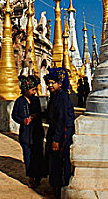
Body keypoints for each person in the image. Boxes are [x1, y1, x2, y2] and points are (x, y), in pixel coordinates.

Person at [44, 67, 75, 197]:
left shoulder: (62, 97)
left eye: (53, 83)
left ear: (60, 84)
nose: (50, 85)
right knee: (53, 159)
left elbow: (61, 119)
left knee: (60, 160)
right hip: (55, 130)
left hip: (62, 133)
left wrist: (56, 139)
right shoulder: (55, 96)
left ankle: (61, 187)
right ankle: (55, 185)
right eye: (49, 83)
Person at [11, 75, 47, 188]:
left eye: (35, 89)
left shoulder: (36, 100)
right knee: (28, 156)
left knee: (38, 155)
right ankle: (31, 176)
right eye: (33, 89)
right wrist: (23, 120)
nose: (35, 92)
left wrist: (38, 115)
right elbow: (14, 115)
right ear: (26, 90)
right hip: (25, 134)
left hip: (37, 133)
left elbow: (41, 114)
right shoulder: (19, 101)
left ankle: (38, 176)